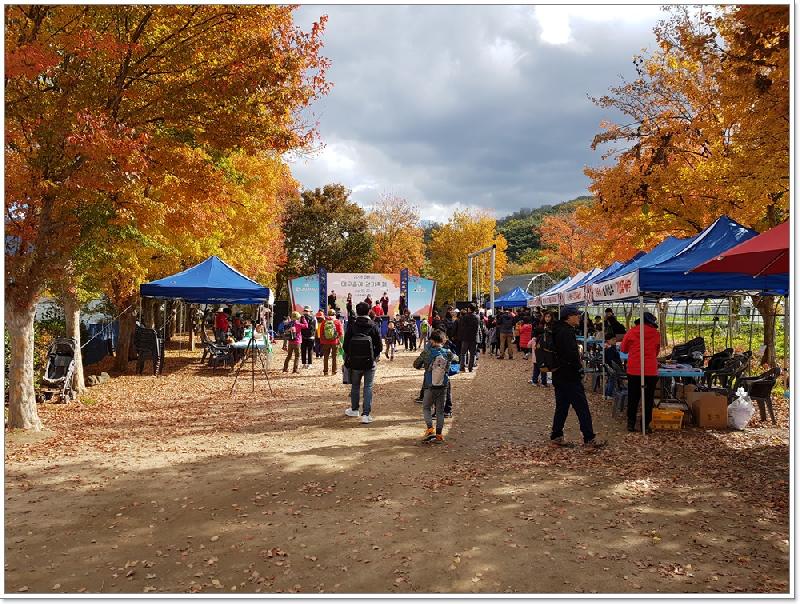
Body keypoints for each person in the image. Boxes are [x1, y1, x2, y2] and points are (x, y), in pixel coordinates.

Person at [548, 306, 606, 449]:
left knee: (562, 406)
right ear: (569, 317)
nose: (579, 317)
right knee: (582, 407)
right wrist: (579, 369)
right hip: (569, 375)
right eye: (577, 315)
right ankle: (589, 438)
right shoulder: (566, 332)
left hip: (558, 374)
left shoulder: (556, 329)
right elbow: (570, 354)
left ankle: (556, 435)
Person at [413, 329, 458, 443]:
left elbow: (416, 364)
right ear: (443, 340)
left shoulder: (427, 352)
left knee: (426, 407)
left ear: (432, 340)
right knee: (440, 411)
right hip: (443, 385)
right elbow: (457, 360)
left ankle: (430, 429)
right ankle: (439, 435)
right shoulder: (448, 353)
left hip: (429, 385)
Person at [620, 311, 660, 433]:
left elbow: (623, 349)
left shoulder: (631, 331)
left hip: (634, 369)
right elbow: (656, 351)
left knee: (633, 397)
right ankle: (645, 425)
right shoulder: (656, 334)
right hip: (650, 370)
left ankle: (631, 424)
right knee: (648, 399)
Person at [343, 302, 382, 424]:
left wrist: (351, 355)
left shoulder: (352, 326)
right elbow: (379, 346)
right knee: (368, 386)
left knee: (355, 386)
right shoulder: (373, 325)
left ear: (357, 311)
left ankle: (354, 410)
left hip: (355, 363)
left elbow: (345, 346)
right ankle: (366, 414)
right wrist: (373, 356)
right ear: (369, 311)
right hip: (369, 362)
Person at [531, 311, 553, 387]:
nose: (547, 318)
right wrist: (536, 340)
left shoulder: (553, 326)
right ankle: (535, 380)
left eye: (549, 317)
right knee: (538, 364)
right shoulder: (540, 326)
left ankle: (545, 381)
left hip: (548, 349)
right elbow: (534, 335)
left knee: (546, 364)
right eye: (546, 317)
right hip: (539, 348)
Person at [320, 309, 344, 376]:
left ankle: (325, 371)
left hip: (325, 342)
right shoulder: (337, 321)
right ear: (334, 314)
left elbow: (321, 332)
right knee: (334, 357)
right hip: (335, 342)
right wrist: (340, 341)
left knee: (326, 357)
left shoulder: (324, 322)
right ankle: (334, 371)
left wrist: (322, 341)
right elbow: (340, 333)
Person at [456, 304, 480, 372]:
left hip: (465, 338)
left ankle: (462, 367)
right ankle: (470, 367)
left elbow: (461, 328)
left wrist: (460, 337)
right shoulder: (477, 317)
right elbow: (477, 328)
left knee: (463, 353)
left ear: (469, 309)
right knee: (472, 354)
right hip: (474, 338)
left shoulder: (464, 317)